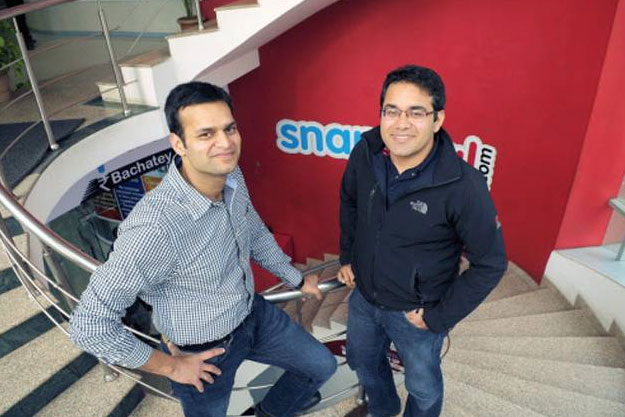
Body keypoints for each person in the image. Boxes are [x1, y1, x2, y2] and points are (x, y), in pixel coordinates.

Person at [70, 81, 337, 417]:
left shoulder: (232, 176)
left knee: (321, 366)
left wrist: (295, 278)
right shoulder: (155, 228)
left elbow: (254, 231)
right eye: (206, 134)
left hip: (253, 315)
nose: (225, 143)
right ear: (178, 144)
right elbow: (89, 326)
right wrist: (171, 367)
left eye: (229, 129)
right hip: (201, 353)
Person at [337, 65, 507, 417]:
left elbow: (491, 264)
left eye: (416, 113)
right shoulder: (366, 152)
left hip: (416, 314)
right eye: (392, 111)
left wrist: (439, 316)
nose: (401, 124)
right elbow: (350, 201)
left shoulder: (464, 186)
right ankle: (383, 410)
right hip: (364, 299)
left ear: (437, 118)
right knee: (363, 363)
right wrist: (347, 256)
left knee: (423, 388)